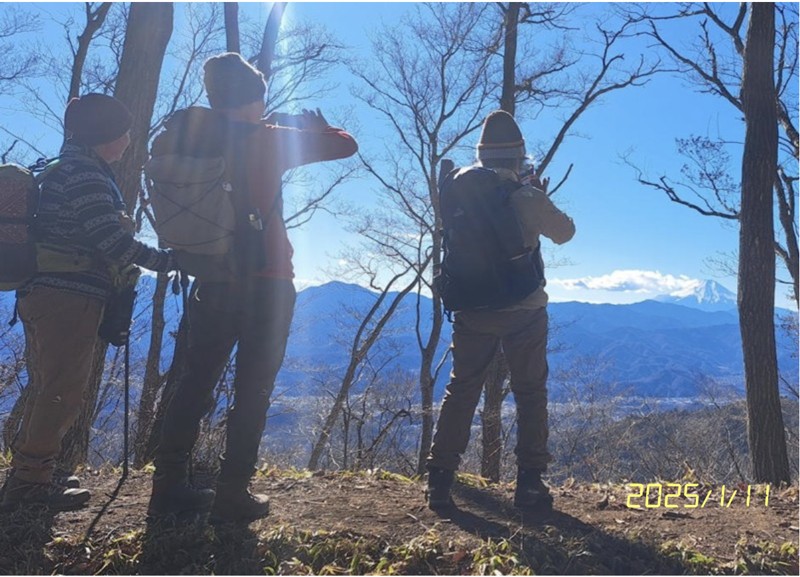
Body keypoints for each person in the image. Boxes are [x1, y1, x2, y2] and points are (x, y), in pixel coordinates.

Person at [146, 52, 358, 523]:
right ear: (256, 99)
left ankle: (168, 486)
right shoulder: (267, 140)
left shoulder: (189, 138)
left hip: (212, 280)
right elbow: (345, 145)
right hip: (267, 282)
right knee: (253, 390)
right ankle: (232, 493)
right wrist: (307, 124)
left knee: (195, 383)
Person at [1, 94, 176, 512]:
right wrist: (166, 262)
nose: (130, 139)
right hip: (68, 295)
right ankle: (30, 482)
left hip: (44, 292)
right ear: (106, 135)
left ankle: (37, 469)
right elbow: (111, 242)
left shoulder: (62, 168)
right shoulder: (86, 175)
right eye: (124, 131)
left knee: (49, 383)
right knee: (62, 389)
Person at [426, 110, 575, 511]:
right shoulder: (525, 196)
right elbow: (565, 232)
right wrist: (538, 194)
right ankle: (529, 484)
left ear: (482, 155)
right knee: (530, 392)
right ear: (518, 157)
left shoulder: (457, 190)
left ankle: (439, 480)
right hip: (524, 309)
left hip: (471, 308)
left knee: (462, 390)